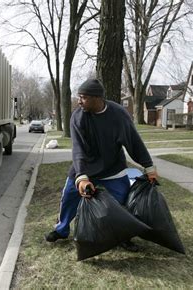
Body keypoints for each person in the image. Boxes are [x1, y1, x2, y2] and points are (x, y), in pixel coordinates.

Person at [44, 79, 158, 252]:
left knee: (121, 206)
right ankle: (61, 230)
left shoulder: (118, 115)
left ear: (97, 98)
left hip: (113, 169)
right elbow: (78, 150)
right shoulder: (78, 117)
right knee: (68, 197)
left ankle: (122, 236)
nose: (79, 101)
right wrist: (81, 177)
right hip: (84, 169)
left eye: (83, 97)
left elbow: (134, 142)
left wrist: (148, 167)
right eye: (79, 97)